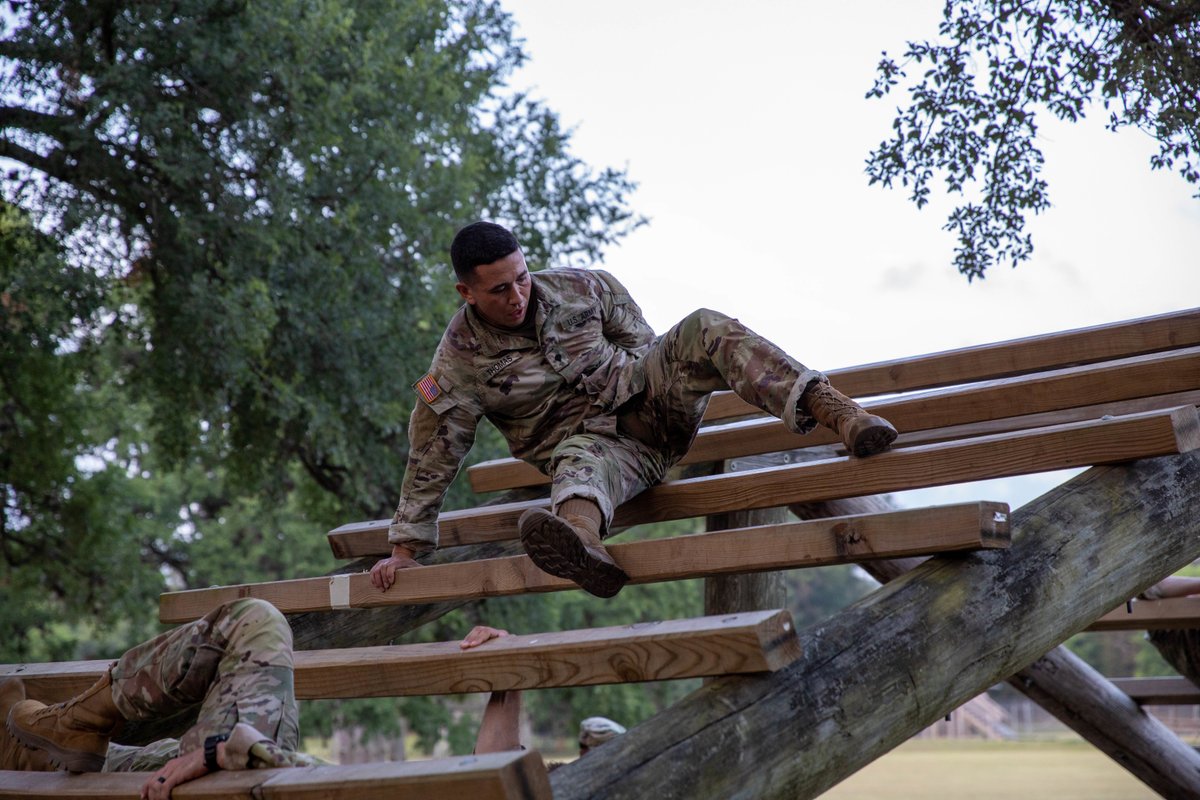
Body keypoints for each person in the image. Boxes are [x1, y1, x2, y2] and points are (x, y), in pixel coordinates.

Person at [371, 220, 898, 597]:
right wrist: (405, 549)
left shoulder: (584, 287)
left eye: (522, 277)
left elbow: (646, 345)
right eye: (500, 289)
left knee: (703, 324)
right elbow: (433, 455)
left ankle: (840, 412)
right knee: (578, 460)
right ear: (466, 292)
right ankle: (582, 546)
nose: (517, 295)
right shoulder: (457, 364)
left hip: (653, 408)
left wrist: (652, 382)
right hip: (599, 454)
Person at [2, 598, 515, 799]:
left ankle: (74, 722)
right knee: (148, 760)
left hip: (260, 780)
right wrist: (506, 680)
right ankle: (35, 750)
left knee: (255, 621)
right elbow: (495, 780)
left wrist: (226, 749)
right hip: (263, 776)